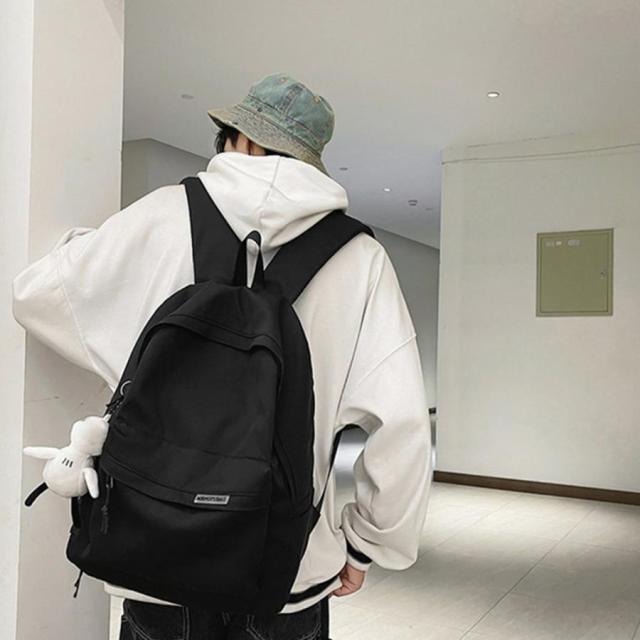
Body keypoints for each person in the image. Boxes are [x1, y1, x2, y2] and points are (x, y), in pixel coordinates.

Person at [12, 72, 432, 640]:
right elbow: (400, 427)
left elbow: (37, 295)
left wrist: (85, 251)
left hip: (154, 552)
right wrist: (368, 545)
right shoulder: (359, 257)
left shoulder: (162, 215)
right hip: (290, 564)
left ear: (242, 138)